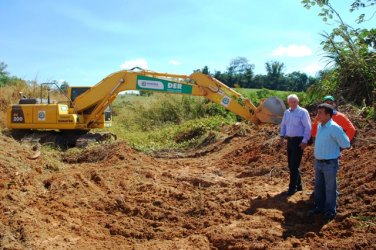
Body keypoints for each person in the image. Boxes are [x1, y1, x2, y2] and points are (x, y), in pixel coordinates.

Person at [309, 103, 350, 221]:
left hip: (329, 163)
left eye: (320, 113)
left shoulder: (334, 127)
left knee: (330, 188)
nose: (318, 115)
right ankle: (319, 207)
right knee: (319, 186)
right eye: (318, 113)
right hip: (319, 162)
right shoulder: (320, 125)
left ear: (328, 114)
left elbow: (346, 143)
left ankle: (330, 211)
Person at [279, 94, 312, 196]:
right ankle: (299, 186)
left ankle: (292, 188)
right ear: (288, 102)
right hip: (290, 140)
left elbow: (308, 127)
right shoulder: (287, 112)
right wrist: (281, 136)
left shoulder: (303, 112)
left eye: (294, 101)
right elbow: (283, 125)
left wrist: (305, 140)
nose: (293, 103)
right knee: (291, 164)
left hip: (299, 141)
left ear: (298, 102)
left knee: (294, 165)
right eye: (291, 102)